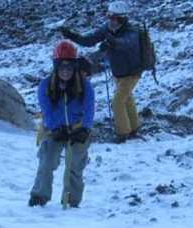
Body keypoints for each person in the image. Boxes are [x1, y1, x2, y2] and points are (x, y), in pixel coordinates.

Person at [59, 1, 142, 144]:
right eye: (109, 17)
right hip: (118, 73)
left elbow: (125, 43)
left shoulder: (132, 31)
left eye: (115, 18)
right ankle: (134, 128)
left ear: (123, 18)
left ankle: (123, 134)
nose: (112, 21)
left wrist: (111, 42)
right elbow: (88, 40)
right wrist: (70, 35)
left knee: (117, 102)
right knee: (127, 99)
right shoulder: (107, 29)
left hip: (132, 73)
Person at [29, 40, 95, 208]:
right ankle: (39, 197)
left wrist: (85, 129)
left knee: (74, 167)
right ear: (56, 67)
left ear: (75, 67)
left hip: (77, 130)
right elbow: (47, 110)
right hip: (54, 130)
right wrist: (54, 128)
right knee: (46, 162)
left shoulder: (85, 87)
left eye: (69, 67)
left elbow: (89, 109)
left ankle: (70, 202)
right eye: (62, 67)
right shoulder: (46, 85)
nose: (65, 71)